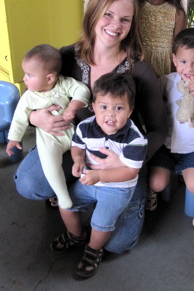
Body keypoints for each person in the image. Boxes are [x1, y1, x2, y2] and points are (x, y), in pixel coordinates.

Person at [14, 0, 167, 255]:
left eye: (125, 19)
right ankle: (77, 185)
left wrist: (129, 161)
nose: (115, 25)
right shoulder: (66, 56)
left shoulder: (139, 70)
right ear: (93, 13)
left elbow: (158, 128)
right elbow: (32, 90)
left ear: (132, 25)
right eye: (108, 14)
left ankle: (97, 192)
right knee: (29, 183)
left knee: (119, 244)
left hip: (120, 157)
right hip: (73, 145)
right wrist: (36, 117)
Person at [51, 72, 148, 278]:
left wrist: (100, 177)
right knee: (66, 204)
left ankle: (93, 250)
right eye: (104, 107)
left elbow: (130, 171)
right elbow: (77, 146)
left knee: (101, 223)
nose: (110, 115)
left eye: (118, 108)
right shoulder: (86, 126)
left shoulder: (135, 139)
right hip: (90, 179)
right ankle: (76, 236)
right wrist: (78, 159)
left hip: (118, 187)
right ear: (93, 107)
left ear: (130, 111)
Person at [148, 27, 194, 229]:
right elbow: (153, 99)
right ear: (174, 59)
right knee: (156, 183)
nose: (188, 69)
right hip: (167, 144)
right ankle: (153, 192)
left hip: (193, 148)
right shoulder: (168, 81)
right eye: (183, 62)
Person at [7, 44, 90, 209]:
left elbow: (82, 90)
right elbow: (19, 117)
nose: (24, 78)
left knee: (81, 158)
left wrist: (73, 106)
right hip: (50, 139)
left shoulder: (64, 84)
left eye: (29, 75)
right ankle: (62, 195)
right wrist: (13, 139)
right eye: (25, 74)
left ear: (50, 78)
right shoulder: (29, 97)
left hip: (72, 132)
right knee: (50, 164)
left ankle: (85, 184)